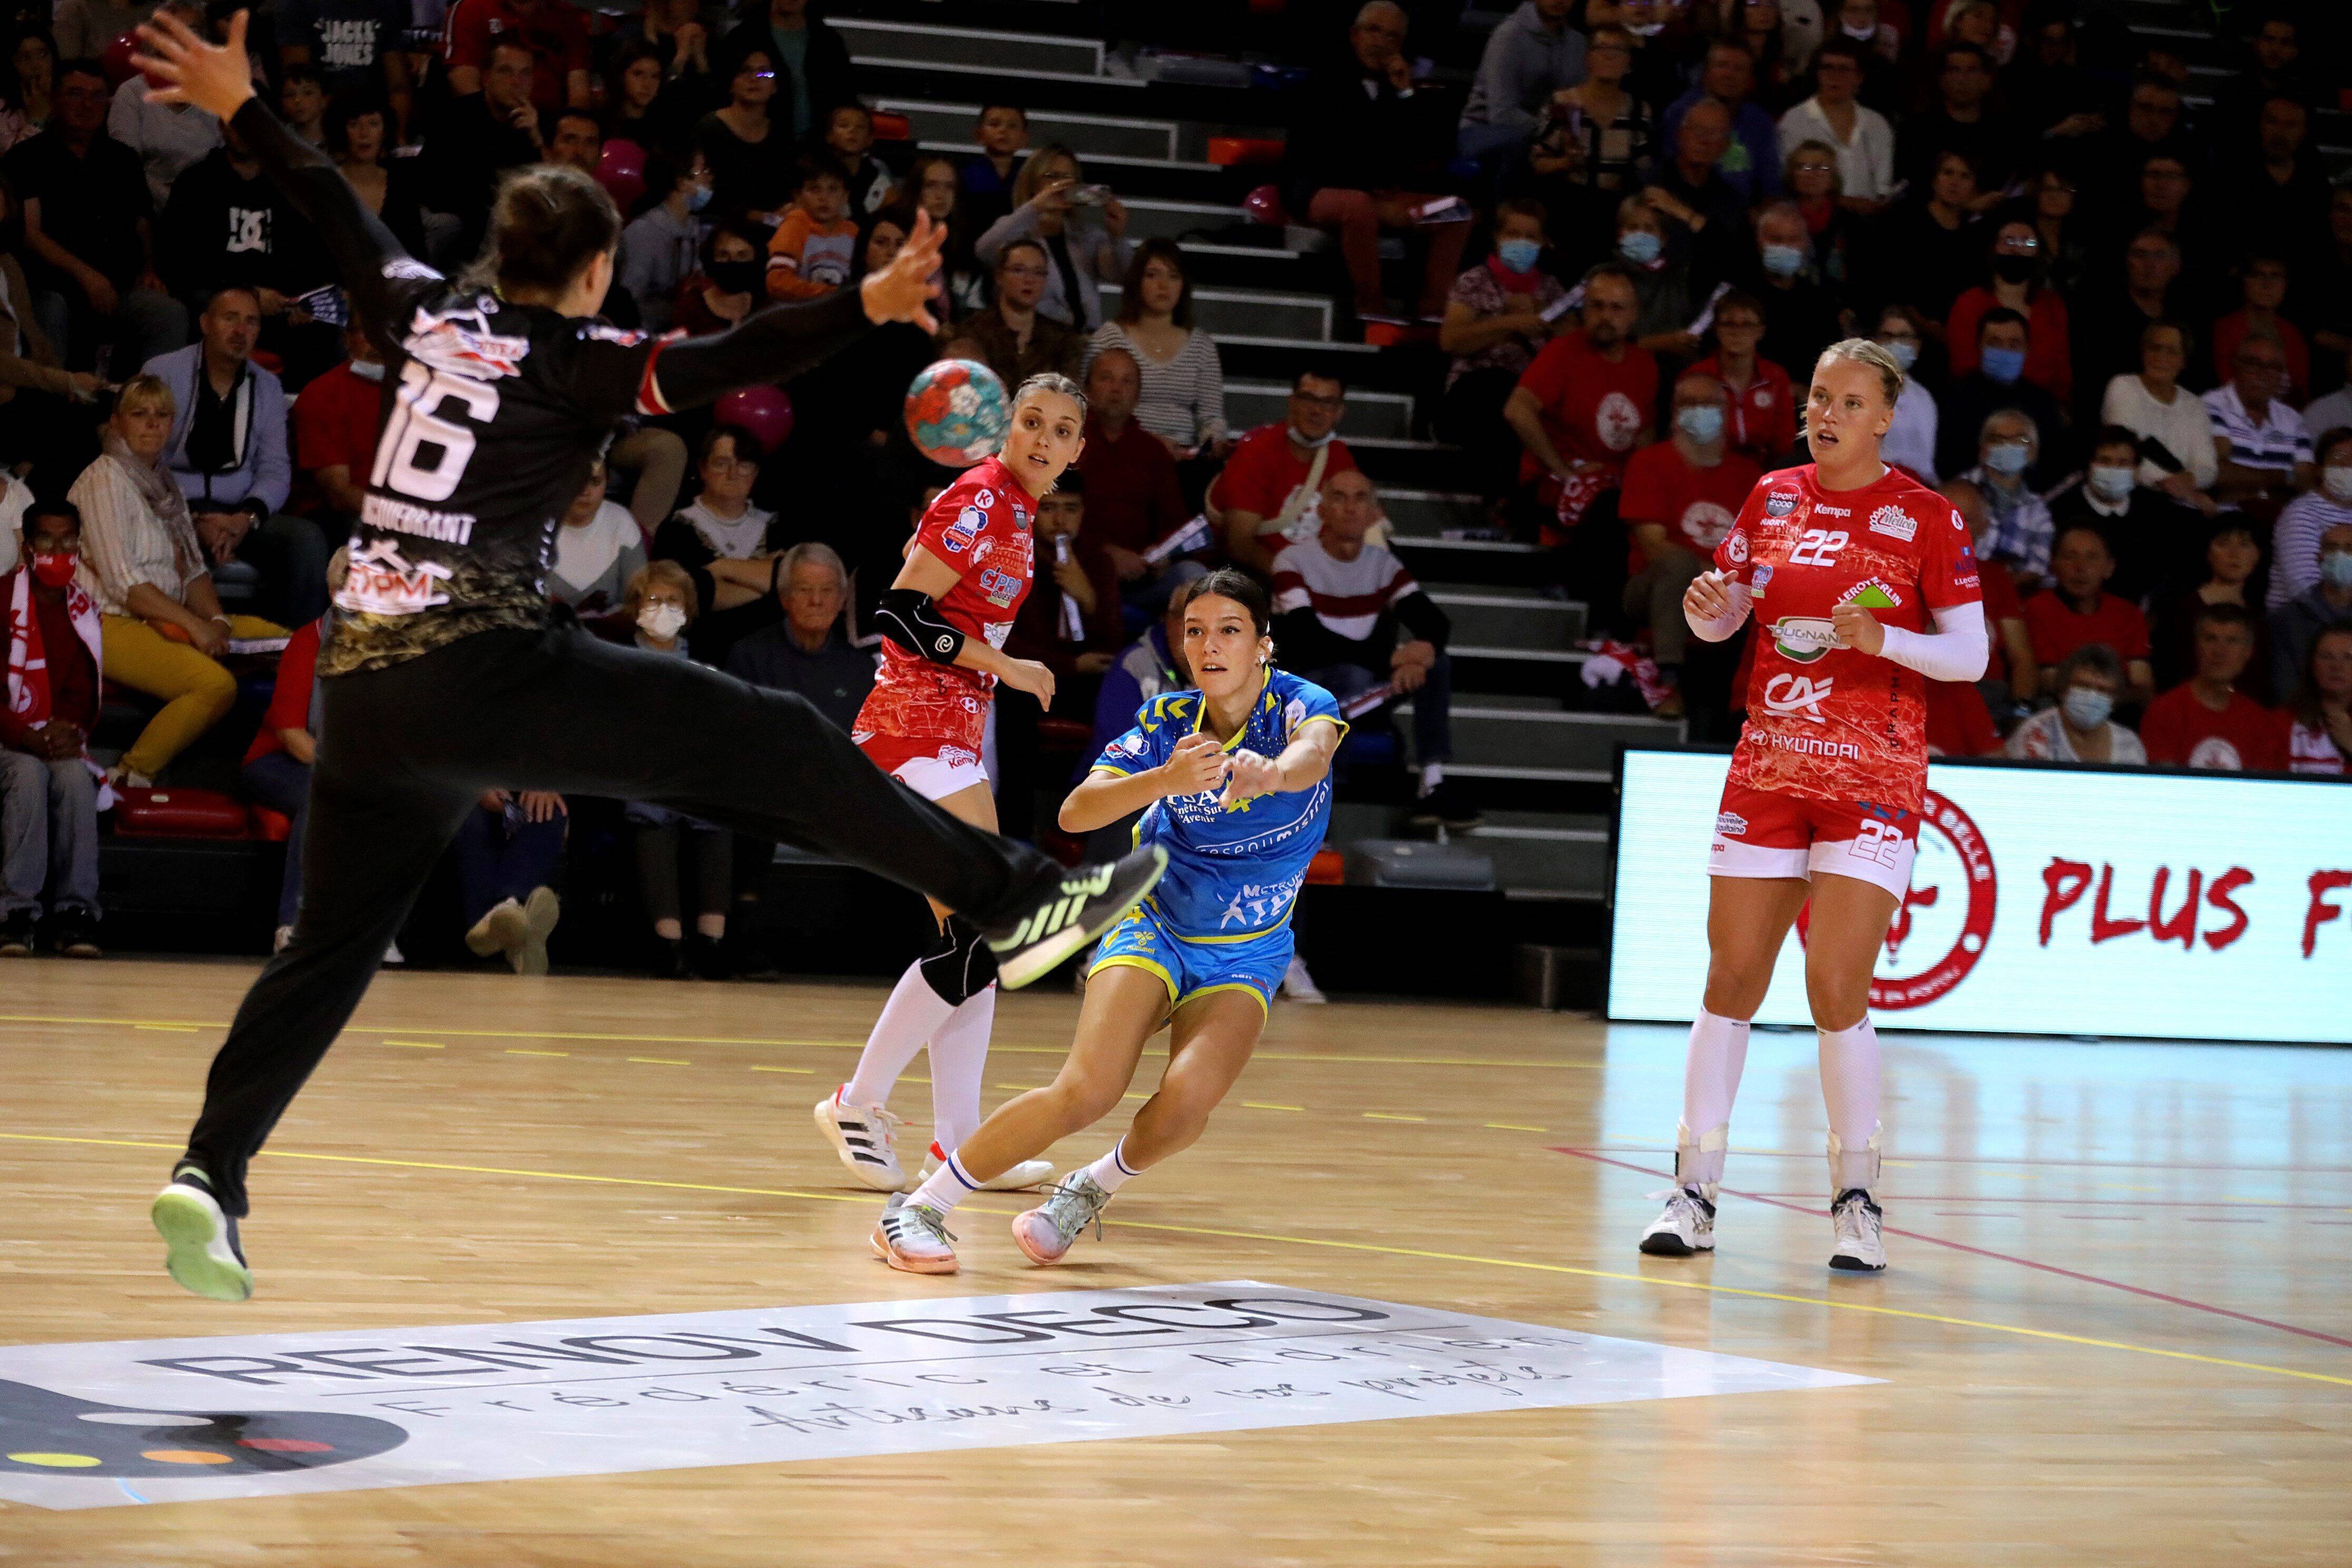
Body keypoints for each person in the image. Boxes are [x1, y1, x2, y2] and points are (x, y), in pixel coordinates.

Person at [130, 11, 1165, 1304]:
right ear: (587, 271)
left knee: (326, 950)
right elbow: (736, 357)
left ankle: (210, 1174)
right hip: (482, 664)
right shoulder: (580, 357)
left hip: (365, 683)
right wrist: (872, 301)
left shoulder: (422, 307)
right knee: (778, 737)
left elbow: (324, 196)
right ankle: (1017, 899)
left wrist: (239, 100)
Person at [872, 570, 1345, 1275]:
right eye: (1194, 631)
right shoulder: (1167, 722)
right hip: (1155, 924)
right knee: (1088, 1090)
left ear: (1263, 645)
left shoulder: (1302, 705)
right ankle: (919, 1209)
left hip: (1248, 951)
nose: (1209, 646)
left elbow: (1314, 755)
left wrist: (1270, 774)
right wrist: (1163, 781)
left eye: (1229, 630)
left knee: (1187, 1107)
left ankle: (1088, 1189)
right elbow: (1075, 812)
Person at [1642, 338, 1987, 1273]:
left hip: (1870, 780)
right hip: (1767, 767)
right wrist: (1707, 605)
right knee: (1731, 978)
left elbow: (1970, 656)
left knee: (1834, 986)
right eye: (1815, 397)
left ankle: (1856, 1198)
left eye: (1846, 401)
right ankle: (1692, 1189)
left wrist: (1885, 638)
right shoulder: (1773, 497)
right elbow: (1721, 619)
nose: (1824, 414)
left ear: (1884, 417)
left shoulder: (1926, 517)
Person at [812, 373, 1091, 1199]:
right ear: (1004, 427)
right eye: (1031, 422)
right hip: (912, 723)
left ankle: (959, 1144)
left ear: (1078, 450)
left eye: (1062, 430)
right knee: (985, 924)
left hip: (951, 729)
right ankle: (856, 1103)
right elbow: (901, 613)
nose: (1043, 439)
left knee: (974, 944)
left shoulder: (1019, 513)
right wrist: (1005, 664)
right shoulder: (978, 499)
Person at [68, 374, 284, 785]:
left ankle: (271, 765)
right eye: (140, 414)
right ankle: (130, 774)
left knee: (289, 646)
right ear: (117, 424)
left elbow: (193, 570)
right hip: (107, 621)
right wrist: (195, 626)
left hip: (161, 616)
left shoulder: (166, 483)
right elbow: (123, 583)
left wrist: (216, 621)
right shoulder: (104, 478)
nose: (153, 423)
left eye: (162, 415)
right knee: (215, 686)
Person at [1270, 468, 1468, 827]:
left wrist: (1421, 653)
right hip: (1308, 696)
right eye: (1339, 498)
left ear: (1375, 514)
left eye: (1360, 499)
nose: (1350, 508)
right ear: (1321, 510)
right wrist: (1393, 658)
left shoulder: (1383, 565)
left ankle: (1433, 785)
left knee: (1437, 662)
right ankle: (1316, 810)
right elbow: (1307, 640)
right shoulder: (1292, 560)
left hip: (1365, 692)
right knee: (1349, 672)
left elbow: (1435, 622)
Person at [142, 288, 330, 627]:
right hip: (171, 512)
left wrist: (246, 519)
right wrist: (192, 519)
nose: (241, 331)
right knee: (155, 540)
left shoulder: (268, 387)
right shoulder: (163, 373)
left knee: (305, 540)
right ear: (205, 323)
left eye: (251, 322)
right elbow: (140, 460)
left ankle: (288, 652)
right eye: (230, 319)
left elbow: (275, 469)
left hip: (240, 513)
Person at [1284, 2, 1465, 327]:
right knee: (1359, 206)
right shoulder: (1324, 79)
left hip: (1382, 197)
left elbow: (1426, 154)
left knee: (1457, 211)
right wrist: (1380, 200)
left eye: (1393, 37)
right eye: (1374, 31)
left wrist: (1407, 94)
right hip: (1316, 189)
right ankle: (1371, 310)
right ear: (1355, 36)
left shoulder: (1394, 88)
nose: (1382, 42)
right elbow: (1328, 156)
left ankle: (1432, 314)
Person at [4, 56, 186, 375]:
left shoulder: (122, 159)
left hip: (119, 286)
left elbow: (142, 222)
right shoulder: (28, 157)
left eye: (97, 95)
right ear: (54, 99)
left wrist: (149, 268)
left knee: (168, 313)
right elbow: (32, 233)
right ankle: (55, 408)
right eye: (75, 94)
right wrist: (86, 276)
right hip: (55, 286)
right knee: (51, 309)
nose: (87, 104)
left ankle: (145, 408)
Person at [613, 558, 732, 978]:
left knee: (716, 811)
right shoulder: (619, 662)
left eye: (673, 600)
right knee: (651, 811)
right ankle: (669, 942)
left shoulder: (708, 661)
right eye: (654, 599)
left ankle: (712, 939)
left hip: (696, 769)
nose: (663, 608)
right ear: (637, 607)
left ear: (689, 609)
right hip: (639, 769)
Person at [1618, 375, 1762, 713]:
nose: (1699, 411)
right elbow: (1654, 546)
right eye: (1689, 404)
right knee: (1679, 565)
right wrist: (1716, 578)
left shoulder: (1749, 475)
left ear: (1726, 412)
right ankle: (1667, 679)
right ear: (1674, 412)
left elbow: (1763, 548)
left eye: (1708, 404)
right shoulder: (1649, 463)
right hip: (1652, 588)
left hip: (1728, 592)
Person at [0, 496, 105, 958]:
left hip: (52, 738)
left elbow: (83, 694)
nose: (59, 551)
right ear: (27, 548)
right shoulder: (1, 600)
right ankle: (15, 914)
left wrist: (70, 732)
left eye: (69, 541)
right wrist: (26, 736)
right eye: (48, 540)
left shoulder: (83, 610)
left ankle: (75, 915)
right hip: (8, 737)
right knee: (26, 773)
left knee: (75, 780)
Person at [1505, 264, 1657, 545]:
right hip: (1556, 481)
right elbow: (1517, 409)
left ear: (1634, 315)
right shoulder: (1563, 352)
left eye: (1616, 308)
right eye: (1596, 306)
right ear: (1583, 309)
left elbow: (1645, 434)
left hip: (1617, 481)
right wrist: (1562, 468)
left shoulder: (1644, 364)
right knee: (1611, 510)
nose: (1605, 317)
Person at [1438, 200, 1565, 501]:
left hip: (1533, 391)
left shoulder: (1551, 290)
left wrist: (1543, 315)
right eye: (1513, 234)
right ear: (1497, 237)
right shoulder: (1473, 282)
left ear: (1543, 242)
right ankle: (1501, 501)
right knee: (1497, 396)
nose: (1521, 242)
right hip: (1477, 387)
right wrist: (1511, 323)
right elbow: (1451, 340)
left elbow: (1572, 345)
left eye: (1530, 237)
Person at [1072, 345, 1196, 620]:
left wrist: (1163, 555)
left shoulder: (1153, 452)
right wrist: (1105, 555)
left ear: (1138, 394)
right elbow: (1050, 519)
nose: (1116, 388)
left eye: (1126, 381)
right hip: (1080, 570)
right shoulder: (1067, 444)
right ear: (1087, 389)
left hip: (1144, 576)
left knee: (1195, 579)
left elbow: (1175, 524)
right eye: (1106, 378)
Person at [0, 177, 105, 484]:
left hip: (25, 390)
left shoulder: (7, 263)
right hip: (7, 395)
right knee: (71, 434)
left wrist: (66, 386)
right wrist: (66, 382)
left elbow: (33, 336)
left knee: (90, 416)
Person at [651, 424, 783, 667]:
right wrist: (769, 582)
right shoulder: (676, 530)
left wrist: (721, 569)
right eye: (721, 464)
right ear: (703, 469)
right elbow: (694, 597)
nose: (733, 474)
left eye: (744, 465)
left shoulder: (778, 528)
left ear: (755, 472)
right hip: (703, 656)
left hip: (771, 660)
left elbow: (793, 581)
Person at [1085, 239, 1228, 463]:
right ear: (1137, 282)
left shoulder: (1201, 345)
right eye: (1153, 275)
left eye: (1173, 276)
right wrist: (1151, 443)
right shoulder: (1110, 337)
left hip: (1185, 458)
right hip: (1123, 451)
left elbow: (1212, 417)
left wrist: (1209, 445)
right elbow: (1091, 406)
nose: (1164, 285)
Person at [1209, 370, 1359, 577]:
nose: (1316, 410)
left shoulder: (1341, 457)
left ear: (1340, 412)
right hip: (1258, 574)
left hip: (1314, 574)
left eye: (1328, 403)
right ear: (1292, 403)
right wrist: (1296, 581)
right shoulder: (1257, 452)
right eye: (1308, 399)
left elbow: (1362, 529)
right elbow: (1240, 545)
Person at [974, 142, 1129, 334]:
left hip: (1085, 339)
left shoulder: (1087, 236)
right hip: (1037, 339)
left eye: (1067, 177)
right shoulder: (1015, 229)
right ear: (1032, 183)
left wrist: (1116, 236)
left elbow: (1123, 276)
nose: (1060, 185)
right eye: (1051, 177)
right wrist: (1035, 207)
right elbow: (984, 251)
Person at [724, 541, 873, 736]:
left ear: (842, 600)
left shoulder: (861, 669)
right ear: (784, 598)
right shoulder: (750, 659)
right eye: (805, 590)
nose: (816, 601)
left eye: (827, 590)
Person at [418, 37, 544, 263]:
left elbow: (558, 184)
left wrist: (535, 138)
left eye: (525, 74)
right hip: (460, 223)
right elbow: (437, 189)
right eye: (506, 72)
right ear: (486, 78)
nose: (516, 82)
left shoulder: (537, 124)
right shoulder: (455, 118)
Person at [2139, 602, 2287, 771]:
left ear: (2248, 652)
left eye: (2232, 641)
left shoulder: (2260, 722)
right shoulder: (2164, 711)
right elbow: (2164, 787)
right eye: (2211, 639)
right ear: (2197, 647)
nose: (2220, 651)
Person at [2023, 523, 2153, 705]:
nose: (2081, 567)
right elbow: (2048, 681)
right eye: (2070, 556)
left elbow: (2143, 685)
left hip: (2120, 712)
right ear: (2053, 565)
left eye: (2092, 558)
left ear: (2110, 567)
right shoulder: (2036, 609)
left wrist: (2101, 701)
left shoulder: (2128, 614)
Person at [1456, 0, 1586, 179]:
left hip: (1547, 135)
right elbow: (1501, 114)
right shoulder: (1508, 36)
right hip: (1483, 130)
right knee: (1519, 145)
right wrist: (1551, 132)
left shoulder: (1577, 43)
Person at [107, 2, 220, 208]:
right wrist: (176, 203)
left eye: (190, 31)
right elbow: (124, 169)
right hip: (149, 209)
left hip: (210, 207)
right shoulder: (132, 94)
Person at [1946, 220, 2071, 406]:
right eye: (2009, 241)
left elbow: (2063, 372)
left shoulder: (2052, 305)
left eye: (2028, 243)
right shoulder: (1969, 303)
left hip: (2042, 407)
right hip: (1980, 404)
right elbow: (1963, 366)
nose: (2017, 250)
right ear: (1993, 248)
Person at [2100, 318, 2218, 512]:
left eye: (2172, 352)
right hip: (2132, 498)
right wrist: (2175, 487)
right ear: (2144, 353)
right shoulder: (2123, 387)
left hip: (2182, 502)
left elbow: (2208, 467)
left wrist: (2189, 480)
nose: (2161, 357)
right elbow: (2126, 454)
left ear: (2184, 362)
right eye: (2155, 349)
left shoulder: (2194, 405)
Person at [1938, 310, 2066, 487]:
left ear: (2027, 348)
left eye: (2014, 344)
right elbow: (1947, 462)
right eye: (1994, 343)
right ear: (1979, 345)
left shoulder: (2042, 402)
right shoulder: (1955, 399)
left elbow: (2054, 462)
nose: (2004, 350)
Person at [1862, 150, 1983, 332]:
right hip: (1900, 327)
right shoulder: (1904, 220)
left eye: (1965, 176)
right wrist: (1922, 324)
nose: (1955, 182)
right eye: (1948, 173)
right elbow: (1892, 282)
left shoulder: (1973, 238)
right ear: (1935, 180)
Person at [1943, 476, 2034, 705]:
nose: (1953, 526)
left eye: (1967, 519)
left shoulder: (1996, 578)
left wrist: (2021, 711)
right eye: (1943, 516)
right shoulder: (1898, 571)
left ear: (1984, 527)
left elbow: (2021, 658)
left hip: (1985, 693)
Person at [1658, 38, 1780, 207]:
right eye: (1722, 66)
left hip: (1741, 218)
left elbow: (1771, 188)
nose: (1729, 75)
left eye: (1739, 69)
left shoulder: (1760, 122)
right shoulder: (1680, 114)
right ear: (1705, 73)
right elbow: (1667, 175)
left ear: (1750, 79)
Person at [716, 0, 854, 149]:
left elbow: (844, 95)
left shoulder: (828, 41)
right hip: (759, 149)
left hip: (818, 152)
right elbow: (724, 93)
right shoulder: (743, 38)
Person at [2204, 332, 2312, 522]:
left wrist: (2243, 482)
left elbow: (2307, 481)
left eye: (2274, 367)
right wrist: (2285, 477)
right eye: (2254, 363)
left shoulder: (2293, 420)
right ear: (2235, 365)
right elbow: (2215, 474)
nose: (2263, 373)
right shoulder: (2210, 407)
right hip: (2223, 522)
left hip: (2279, 525)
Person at [2154, 518, 2268, 697]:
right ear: (2208, 553)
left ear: (2257, 556)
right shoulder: (2181, 608)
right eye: (2223, 544)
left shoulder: (2260, 617)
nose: (2234, 554)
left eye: (2245, 545)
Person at [1775, 38, 1892, 209]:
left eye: (1844, 69)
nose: (1835, 76)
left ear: (1859, 77)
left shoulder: (1877, 124)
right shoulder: (1795, 121)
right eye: (1827, 68)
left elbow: (1883, 186)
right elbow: (1790, 183)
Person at [961, 237, 1083, 392]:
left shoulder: (1062, 339)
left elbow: (1068, 395)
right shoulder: (973, 333)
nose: (1029, 280)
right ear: (999, 277)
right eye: (1019, 270)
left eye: (1038, 273)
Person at [1690, 291, 1795, 469]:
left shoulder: (1776, 377)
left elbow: (1784, 441)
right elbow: (1689, 438)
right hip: (1709, 471)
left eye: (1747, 325)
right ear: (1717, 330)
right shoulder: (1697, 377)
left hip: (1763, 471)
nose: (1737, 332)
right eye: (1728, 324)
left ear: (1760, 331)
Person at [278, 0, 410, 140]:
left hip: (371, 121)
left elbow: (399, 88)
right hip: (317, 127)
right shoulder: (297, 5)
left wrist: (398, 139)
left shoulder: (387, 6)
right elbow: (297, 81)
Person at [694, 46, 790, 227]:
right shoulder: (709, 128)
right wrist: (753, 216)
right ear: (731, 82)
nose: (755, 78)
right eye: (745, 71)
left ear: (775, 86)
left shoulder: (780, 133)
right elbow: (699, 191)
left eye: (765, 73)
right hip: (716, 226)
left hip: (770, 227)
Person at [616, 153, 711, 333]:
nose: (709, 177)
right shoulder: (643, 232)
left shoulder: (695, 228)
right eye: (703, 171)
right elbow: (631, 298)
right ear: (683, 183)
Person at [1747, 201, 1843, 379]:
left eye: (1793, 240)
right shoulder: (1741, 296)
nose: (1785, 246)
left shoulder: (1820, 300)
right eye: (1776, 240)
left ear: (1806, 244)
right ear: (1759, 241)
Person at [2004, 643, 2144, 764]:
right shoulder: (2036, 733)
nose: (2092, 696)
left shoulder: (2129, 744)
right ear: (2064, 689)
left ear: (2114, 699)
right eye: (2083, 686)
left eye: (2103, 690)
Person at [444, 0, 587, 114]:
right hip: (488, 120)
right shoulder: (471, 9)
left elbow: (579, 91)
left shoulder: (567, 17)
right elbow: (462, 80)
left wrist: (568, 126)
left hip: (550, 125)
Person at [545, 460, 644, 619]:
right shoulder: (533, 525)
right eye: (576, 480)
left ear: (607, 483)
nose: (585, 491)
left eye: (595, 482)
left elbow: (638, 603)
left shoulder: (622, 522)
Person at [2269, 430, 2352, 613]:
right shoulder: (2301, 512)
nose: (2347, 465)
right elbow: (2302, 586)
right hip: (2302, 621)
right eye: (2338, 458)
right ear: (2320, 469)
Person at [2211, 253, 2310, 403]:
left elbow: (2301, 390)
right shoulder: (2226, 329)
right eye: (2258, 275)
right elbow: (2226, 385)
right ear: (2244, 281)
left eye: (2276, 277)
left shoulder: (2293, 334)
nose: (2267, 284)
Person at [2270, 522, 2352, 703]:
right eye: (2332, 548)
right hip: (2304, 719)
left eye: (2349, 549)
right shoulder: (2289, 617)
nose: (2340, 556)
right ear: (2319, 558)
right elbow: (2285, 685)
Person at [763, 158, 856, 301]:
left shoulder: (854, 233)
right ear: (798, 197)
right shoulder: (794, 226)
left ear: (846, 196)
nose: (824, 198)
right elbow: (777, 282)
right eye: (814, 189)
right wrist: (833, 295)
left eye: (833, 189)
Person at [1870, 306, 1936, 482]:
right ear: (1876, 342)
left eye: (1904, 337)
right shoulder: (1855, 388)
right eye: (1888, 336)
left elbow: (1926, 466)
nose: (1896, 344)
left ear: (1917, 345)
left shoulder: (1924, 398)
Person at [672, 219, 761, 336]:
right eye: (723, 255)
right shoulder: (691, 307)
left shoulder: (765, 307)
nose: (733, 263)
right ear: (710, 258)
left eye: (742, 255)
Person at [2284, 625, 2351, 775]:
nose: (2336, 666)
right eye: (2326, 656)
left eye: (2348, 657)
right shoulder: (2281, 721)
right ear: (2312, 664)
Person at [955, 102, 1026, 237]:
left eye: (1013, 126)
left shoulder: (1028, 178)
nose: (1003, 131)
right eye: (994, 124)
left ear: (1024, 139)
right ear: (979, 135)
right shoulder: (964, 176)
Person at [820, 101, 893, 219]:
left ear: (870, 139)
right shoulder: (815, 177)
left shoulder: (881, 185)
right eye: (844, 125)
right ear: (829, 136)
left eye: (860, 127)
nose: (852, 131)